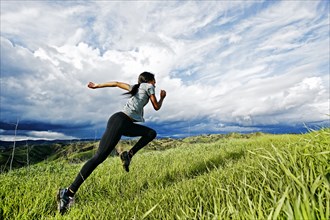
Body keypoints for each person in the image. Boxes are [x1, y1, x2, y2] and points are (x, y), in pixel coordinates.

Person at [57, 71, 166, 214]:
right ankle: (68, 193)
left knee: (150, 133)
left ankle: (128, 154)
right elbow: (156, 106)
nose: (155, 84)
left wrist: (97, 86)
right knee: (99, 157)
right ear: (149, 80)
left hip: (123, 122)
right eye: (154, 81)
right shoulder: (148, 86)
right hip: (120, 122)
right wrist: (162, 97)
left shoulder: (135, 87)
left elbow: (115, 83)